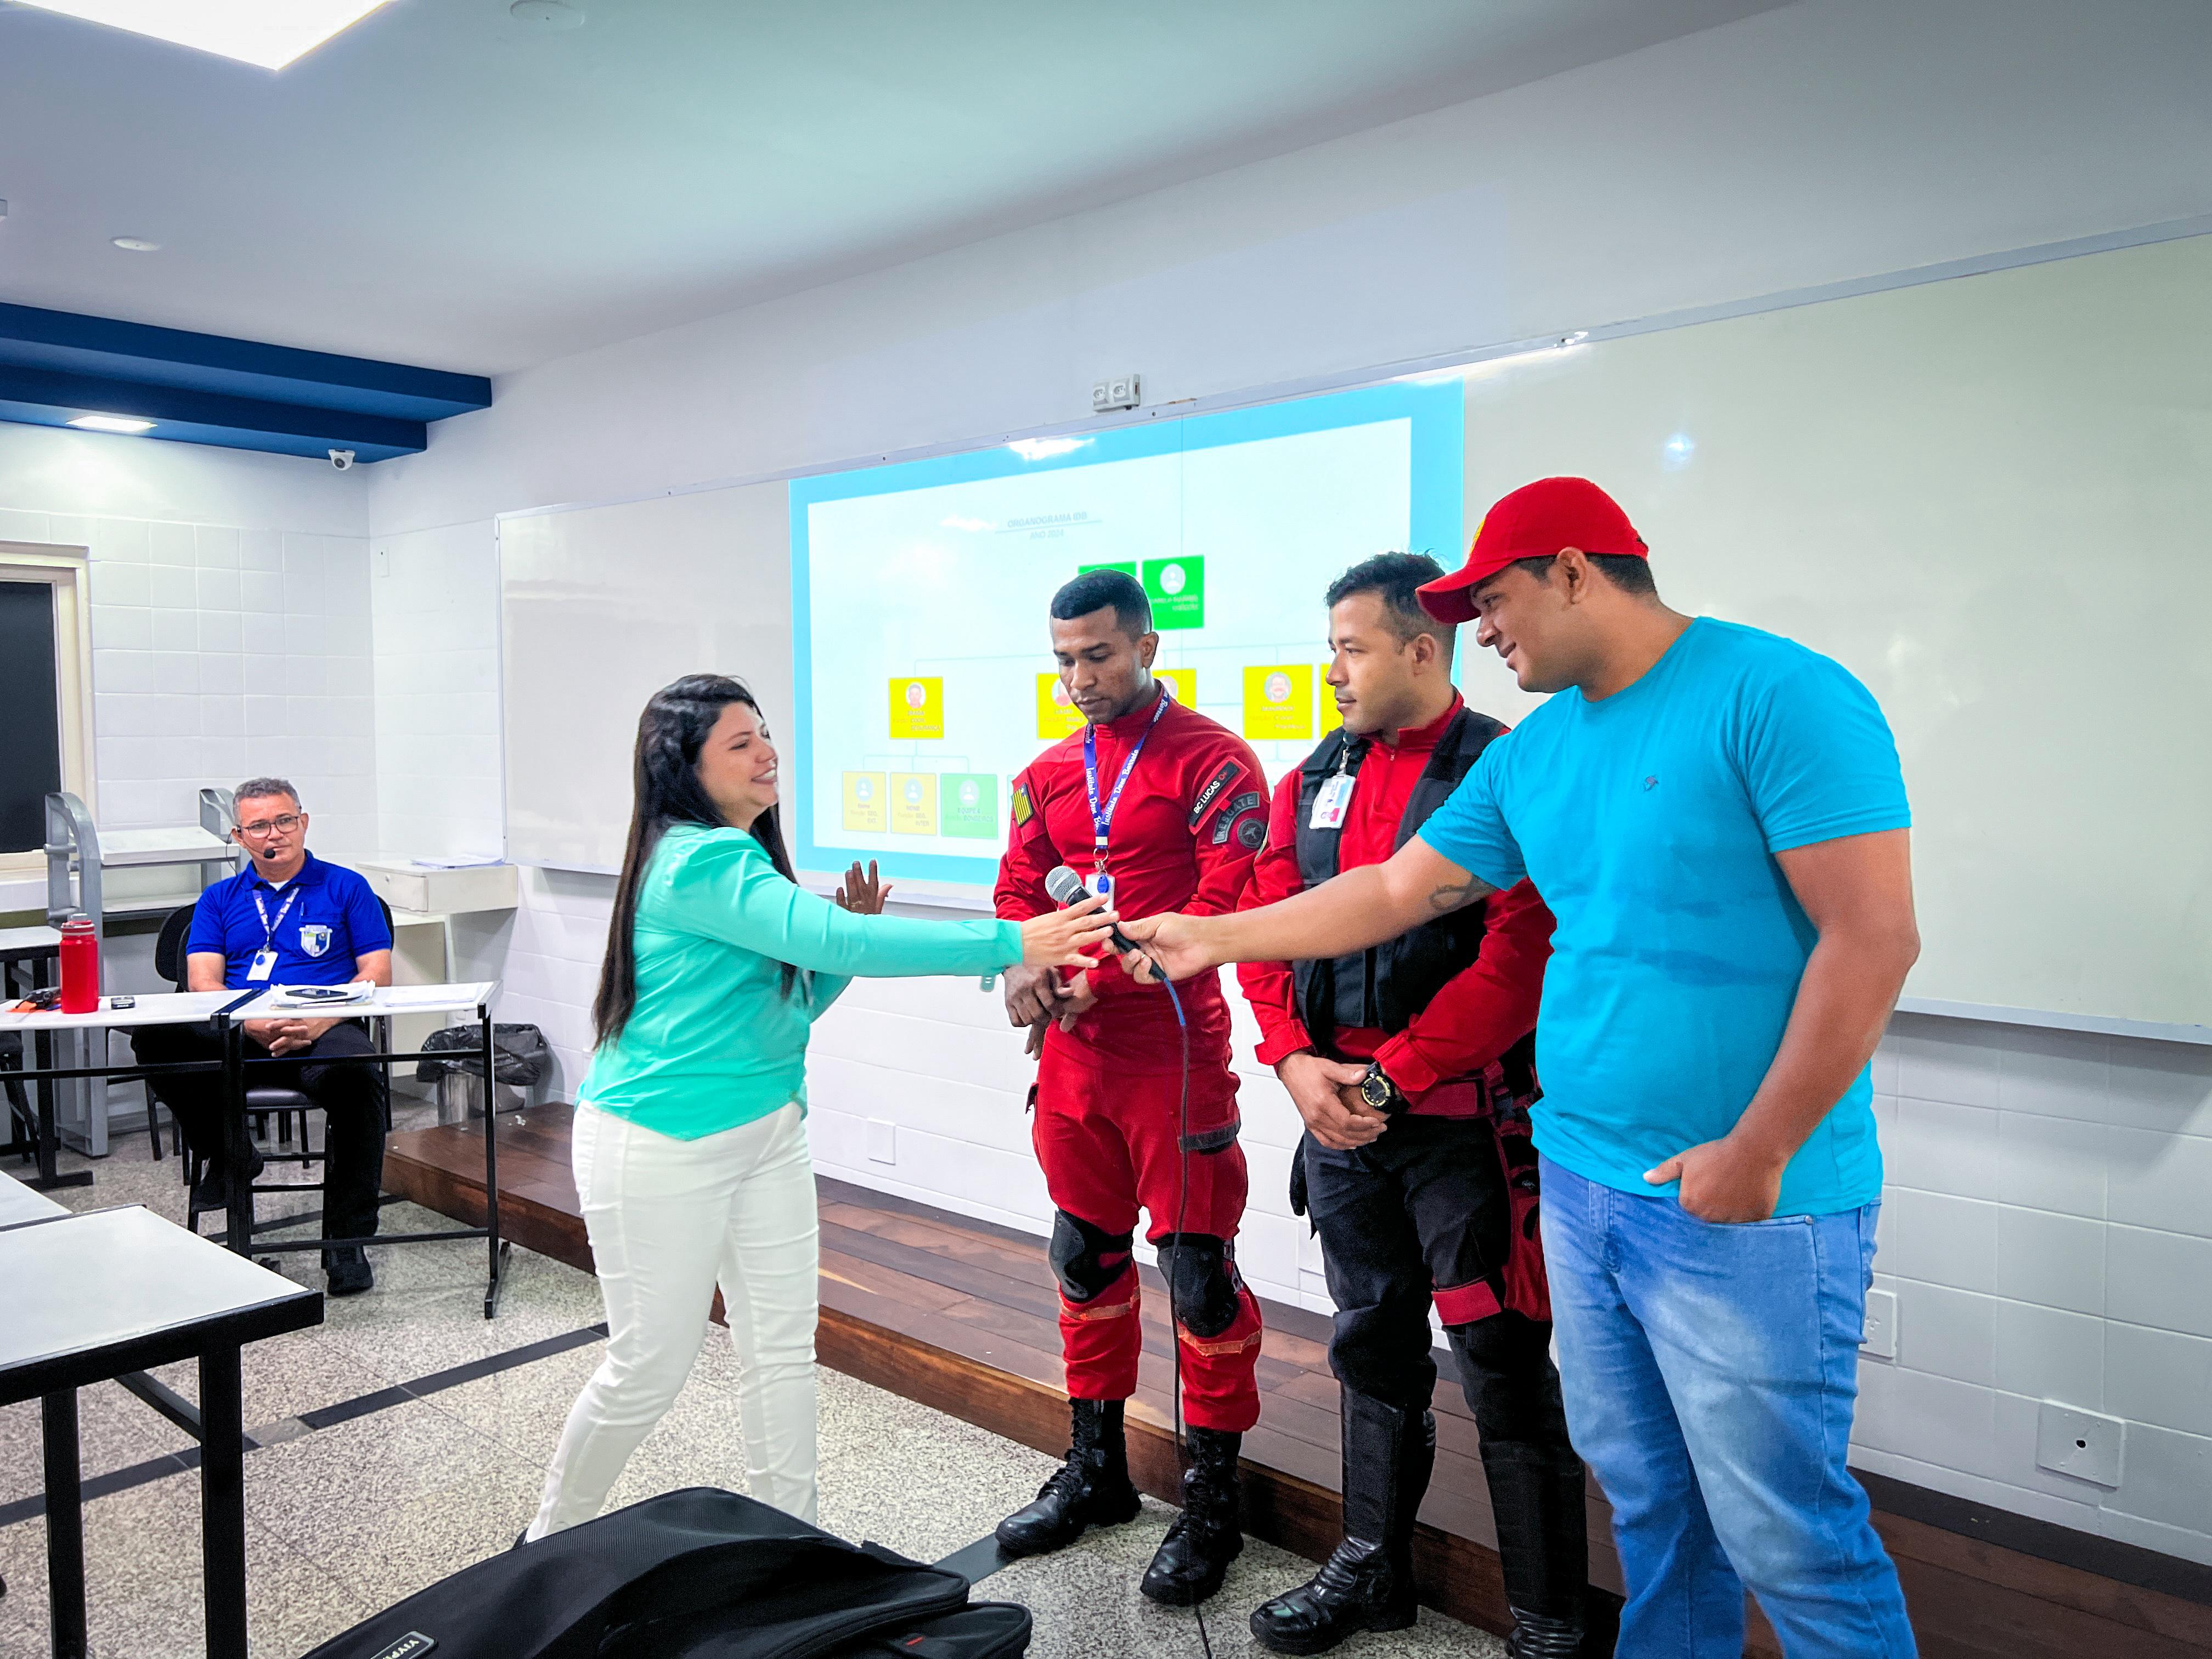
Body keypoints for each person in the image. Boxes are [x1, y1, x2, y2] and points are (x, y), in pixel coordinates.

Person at [1120, 478, 1921, 1658]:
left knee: (1787, 1534)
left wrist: (1760, 1150)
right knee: (1652, 1505)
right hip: (1589, 1187)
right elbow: (1396, 890)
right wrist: (1216, 933)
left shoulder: (1779, 695)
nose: (1479, 632)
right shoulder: (1539, 754)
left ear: (1575, 570)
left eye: (1493, 601)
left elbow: (1874, 937)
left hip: (1745, 1201)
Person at [527, 674, 1110, 1539]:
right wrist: (1008, 939)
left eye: (766, 735)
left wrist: (836, 947)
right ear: (684, 767)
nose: (768, 755)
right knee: (650, 1363)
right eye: (741, 743)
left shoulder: (739, 858)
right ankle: (544, 1540)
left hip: (766, 1135)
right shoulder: (696, 859)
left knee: (780, 1354)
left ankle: (790, 1549)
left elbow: (788, 1008)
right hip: (657, 1142)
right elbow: (831, 937)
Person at [1237, 553, 1587, 1658]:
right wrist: (1296, 1065)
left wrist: (1398, 1074)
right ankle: (1370, 1572)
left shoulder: (1505, 770)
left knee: (1501, 1368)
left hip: (1461, 1134)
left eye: (1349, 647)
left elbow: (1522, 955)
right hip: (1341, 1125)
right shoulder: (1313, 778)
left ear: (1421, 649)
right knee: (1370, 1346)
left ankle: (1545, 1623)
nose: (1331, 669)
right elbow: (1261, 926)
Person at [991, 569, 1270, 1606]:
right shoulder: (1045, 771)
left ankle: (1211, 1505)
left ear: (1148, 643)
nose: (1078, 677)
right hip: (1073, 1056)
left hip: (1175, 1055)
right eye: (1063, 658)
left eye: (1098, 654)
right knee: (1083, 1255)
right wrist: (1024, 962)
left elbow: (1222, 905)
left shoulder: (1216, 761)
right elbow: (1020, 890)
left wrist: (1102, 969)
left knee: (1197, 1274)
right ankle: (1097, 1470)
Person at [132, 777, 393, 1296]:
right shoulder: (219, 898)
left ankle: (347, 1241)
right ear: (239, 835)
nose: (275, 834)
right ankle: (231, 1156)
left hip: (325, 1025)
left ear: (304, 822)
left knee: (359, 1079)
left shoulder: (347, 887)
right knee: (155, 1040)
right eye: (259, 826)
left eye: (285, 820)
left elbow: (376, 974)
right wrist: (249, 1020)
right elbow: (203, 981)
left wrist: (320, 1021)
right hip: (241, 1028)